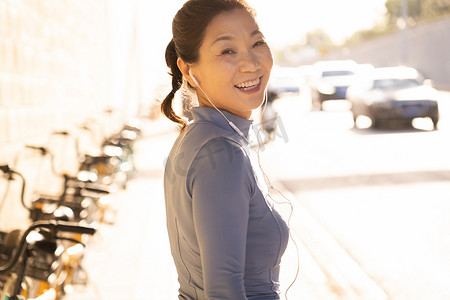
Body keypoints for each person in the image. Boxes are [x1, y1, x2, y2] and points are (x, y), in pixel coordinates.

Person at [162, 0, 289, 299]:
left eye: (257, 43)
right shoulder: (223, 153)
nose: (251, 63)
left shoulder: (193, 136)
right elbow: (223, 292)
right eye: (227, 51)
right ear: (190, 71)